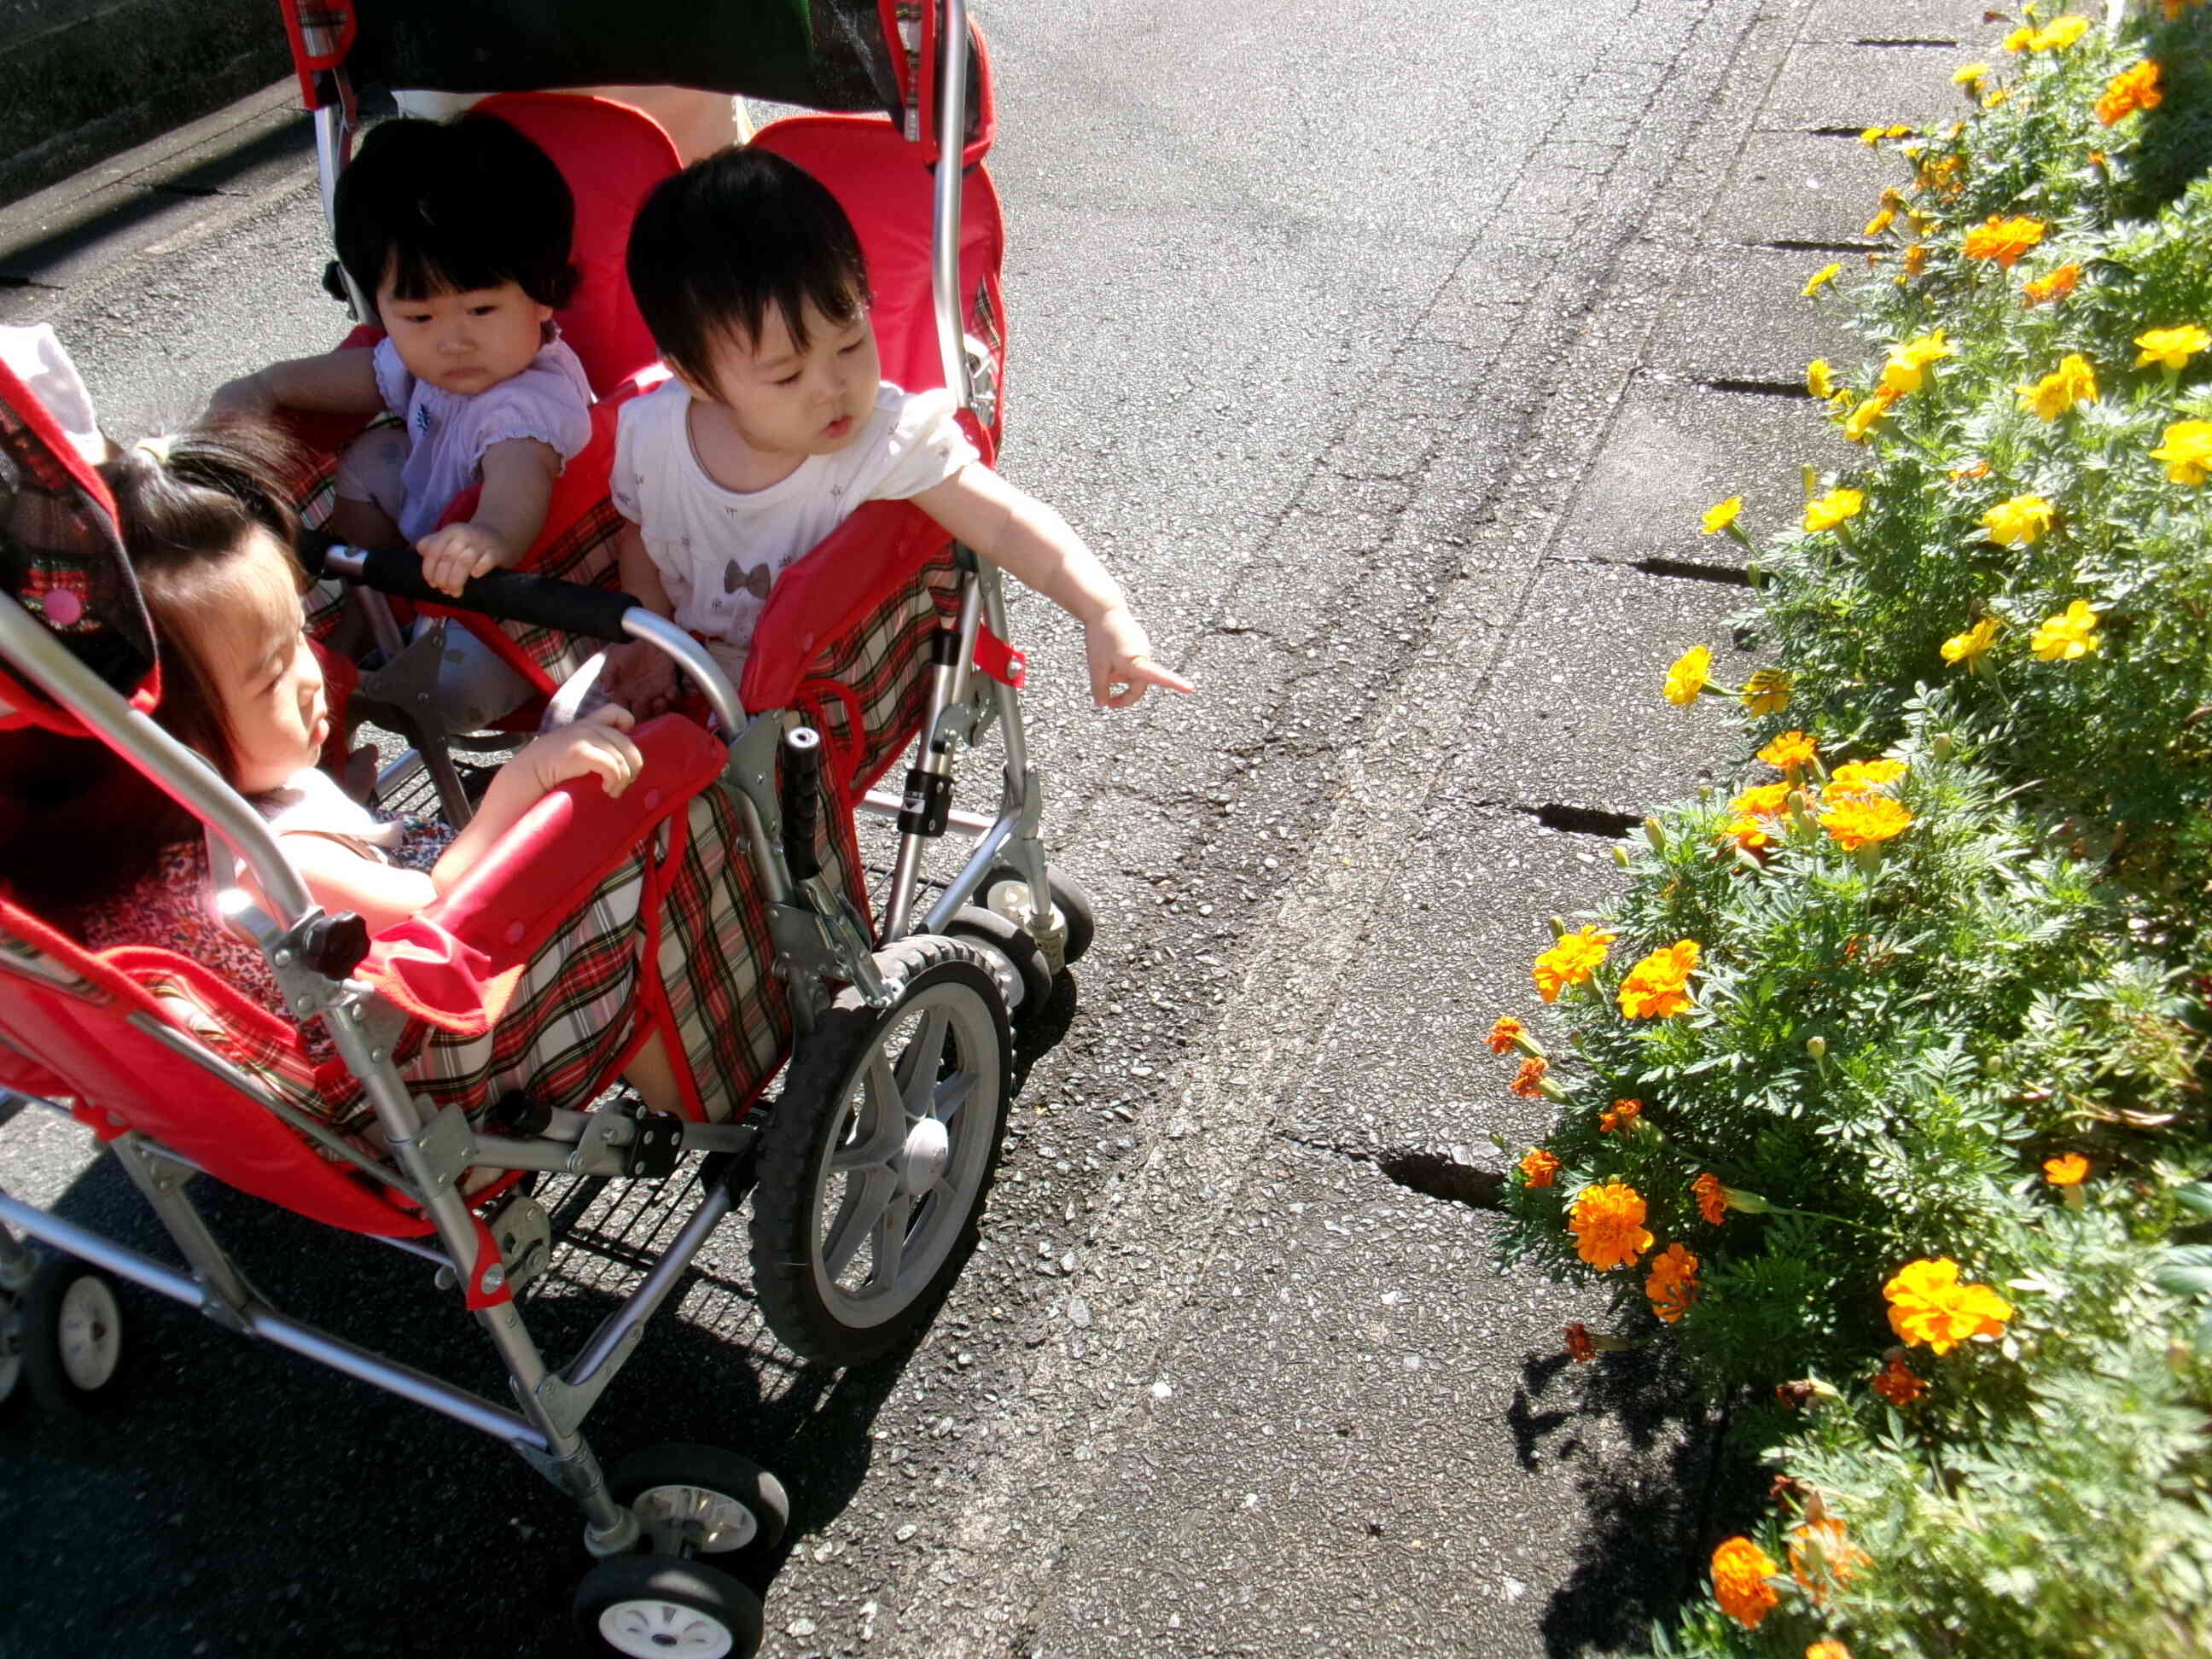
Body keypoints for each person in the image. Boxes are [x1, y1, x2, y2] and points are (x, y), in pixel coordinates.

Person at [66, 422, 682, 1114]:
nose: (310, 673)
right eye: (272, 675)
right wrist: (527, 777)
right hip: (412, 1072)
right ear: (175, 738)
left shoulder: (153, 821)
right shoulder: (276, 869)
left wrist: (343, 807)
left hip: (306, 1008)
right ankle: (692, 1110)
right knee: (621, 889)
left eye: (298, 634)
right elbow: (443, 908)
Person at [595, 146, 1193, 714]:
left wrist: (1103, 611)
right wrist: (651, 638)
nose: (833, 386)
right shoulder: (653, 435)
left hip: (805, 694)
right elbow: (642, 538)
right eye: (787, 375)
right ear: (694, 377)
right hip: (681, 662)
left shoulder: (885, 439)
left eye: (852, 342)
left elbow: (1008, 524)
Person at [205, 114, 594, 602]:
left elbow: (520, 480)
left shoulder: (527, 404)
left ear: (544, 294)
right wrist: (268, 385)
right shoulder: (437, 362)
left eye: (480, 309)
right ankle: (379, 592)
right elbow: (369, 373)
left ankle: (406, 602)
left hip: (504, 567)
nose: (452, 342)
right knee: (366, 460)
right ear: (384, 310)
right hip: (431, 515)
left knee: (471, 669)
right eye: (418, 318)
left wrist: (491, 535)